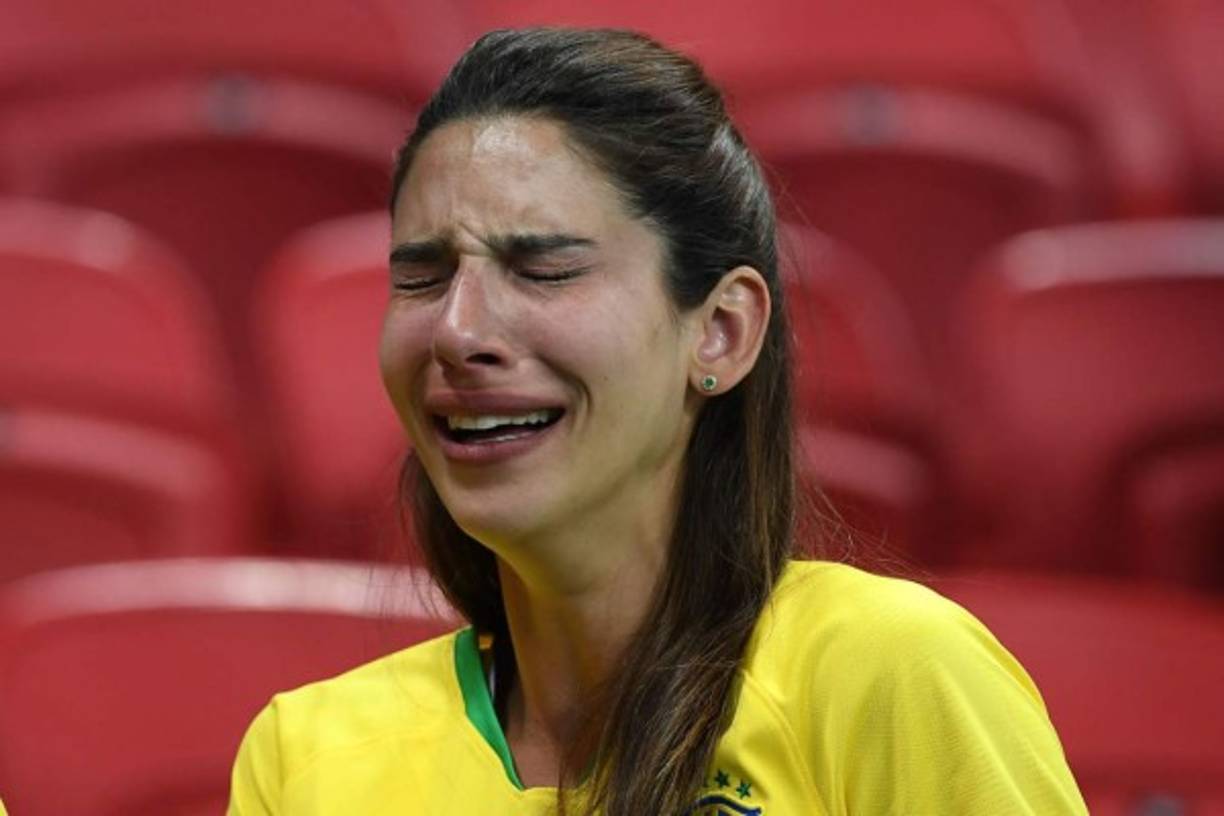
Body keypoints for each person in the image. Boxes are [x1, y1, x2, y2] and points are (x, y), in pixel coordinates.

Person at [228, 28, 1088, 815]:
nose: (457, 331)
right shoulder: (306, 761)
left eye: (544, 269)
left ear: (721, 330)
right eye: (421, 277)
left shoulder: (890, 674)